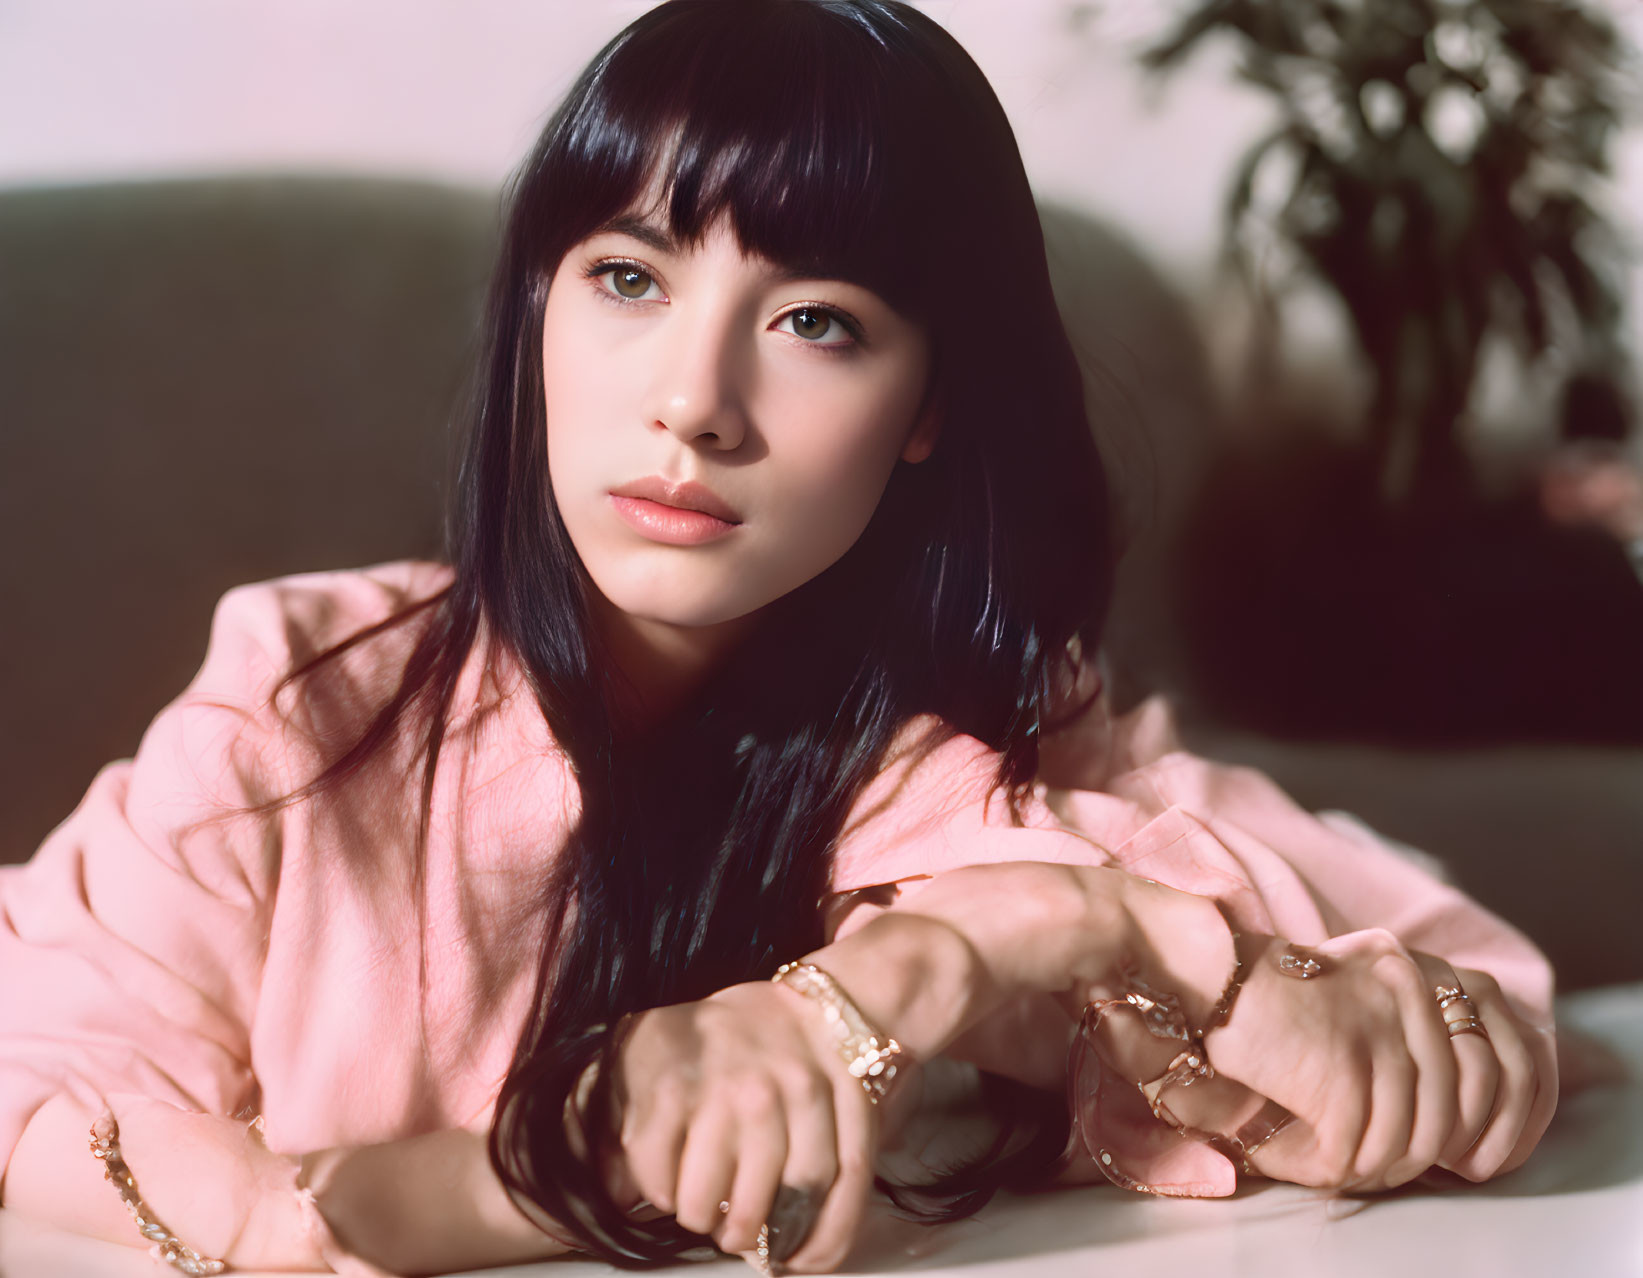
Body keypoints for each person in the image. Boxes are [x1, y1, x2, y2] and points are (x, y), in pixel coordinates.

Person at [0, 2, 1556, 1275]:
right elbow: (43, 1074)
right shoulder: (304, 701)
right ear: (538, 315)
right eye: (626, 278)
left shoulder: (1003, 733)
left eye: (816, 320)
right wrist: (543, 1168)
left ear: (931, 403)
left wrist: (1025, 934)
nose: (693, 402)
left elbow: (1473, 1019)